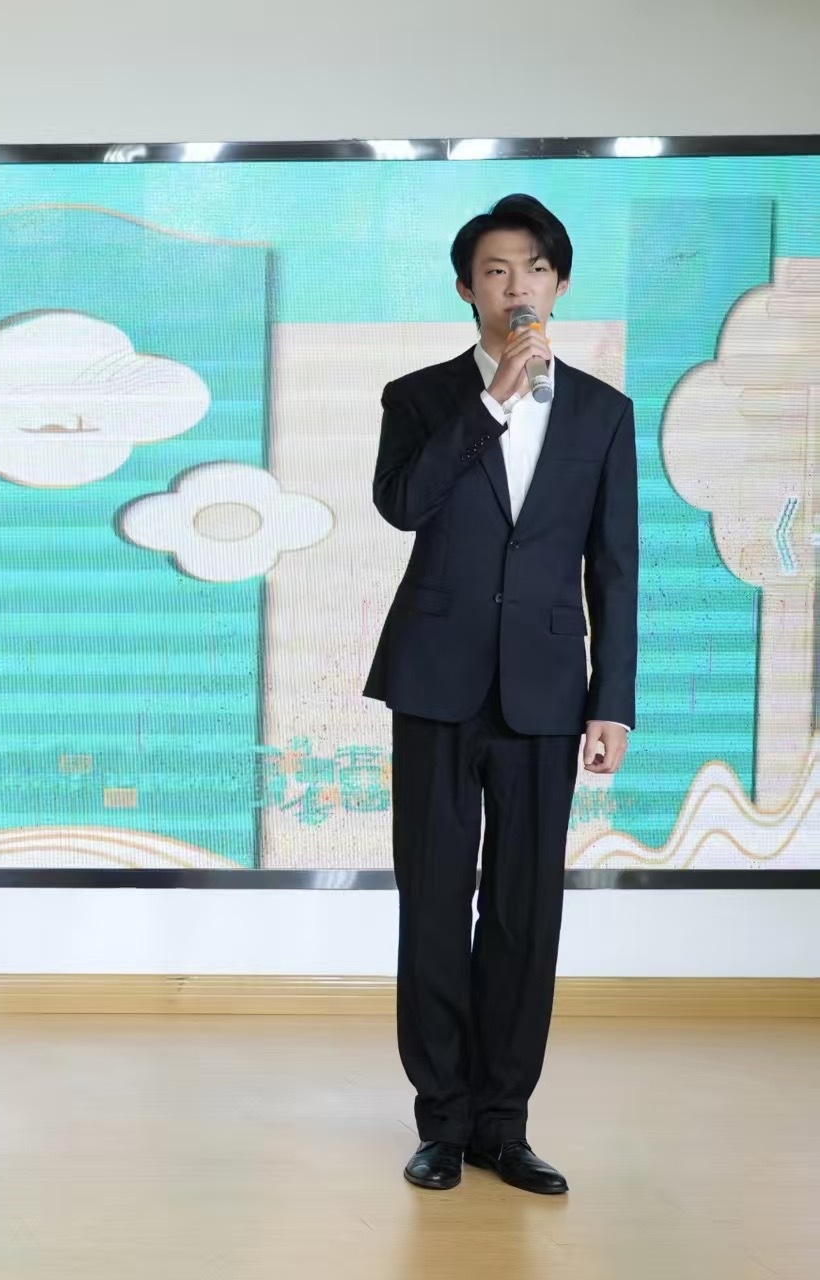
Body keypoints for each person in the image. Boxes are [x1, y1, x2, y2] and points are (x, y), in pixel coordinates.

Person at [366, 193, 637, 1196]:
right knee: (435, 900)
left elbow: (614, 565)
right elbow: (403, 505)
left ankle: (502, 1123)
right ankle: (440, 1120)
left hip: (546, 691)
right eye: (494, 270)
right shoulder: (420, 397)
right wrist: (492, 403)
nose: (515, 285)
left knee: (525, 911)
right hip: (435, 681)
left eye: (533, 268)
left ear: (558, 285)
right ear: (465, 288)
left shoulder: (603, 412)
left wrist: (611, 699)